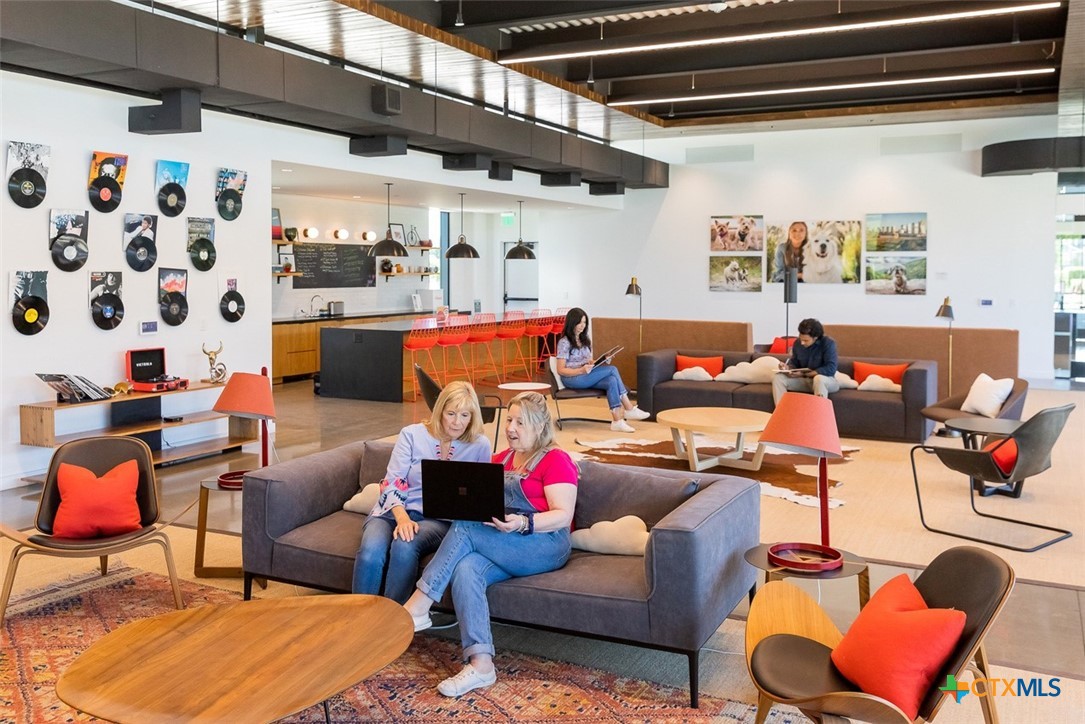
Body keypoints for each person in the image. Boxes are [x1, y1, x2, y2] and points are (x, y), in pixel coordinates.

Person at [402, 391, 578, 697]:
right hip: (506, 538)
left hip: (545, 540)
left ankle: (420, 602)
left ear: (539, 427)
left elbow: (563, 516)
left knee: (467, 528)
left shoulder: (556, 460)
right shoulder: (502, 458)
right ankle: (481, 665)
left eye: (520, 422)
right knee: (467, 568)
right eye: (509, 419)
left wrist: (523, 523)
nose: (510, 428)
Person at [352, 381, 492, 603]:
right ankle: (358, 616)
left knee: (404, 545)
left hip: (437, 519)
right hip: (391, 512)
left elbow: (480, 496)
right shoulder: (411, 434)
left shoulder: (480, 445)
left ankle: (393, 619)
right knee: (371, 552)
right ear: (440, 411)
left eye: (465, 415)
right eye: (451, 413)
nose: (457, 422)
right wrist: (402, 518)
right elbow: (393, 482)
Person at [554, 307, 649, 433]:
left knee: (611, 381)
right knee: (612, 369)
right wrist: (581, 370)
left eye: (584, 322)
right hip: (572, 378)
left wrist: (602, 360)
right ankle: (629, 408)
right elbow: (560, 369)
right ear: (572, 322)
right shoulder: (564, 342)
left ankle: (617, 422)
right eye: (580, 322)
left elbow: (589, 361)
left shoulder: (584, 340)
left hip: (586, 375)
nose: (583, 326)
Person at [772, 318, 840, 405]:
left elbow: (831, 368)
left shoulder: (828, 343)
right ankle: (780, 412)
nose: (802, 343)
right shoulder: (798, 343)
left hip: (826, 381)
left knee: (818, 379)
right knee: (778, 378)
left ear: (816, 337)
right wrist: (787, 368)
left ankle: (819, 416)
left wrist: (804, 374)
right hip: (806, 381)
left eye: (806, 340)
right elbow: (794, 363)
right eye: (801, 339)